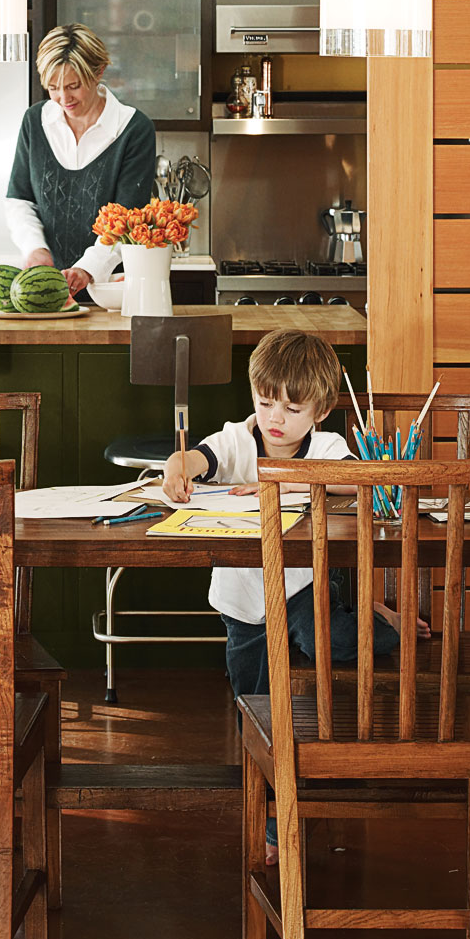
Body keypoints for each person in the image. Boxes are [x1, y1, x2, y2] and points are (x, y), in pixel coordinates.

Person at [158, 328, 403, 863]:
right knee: (253, 701)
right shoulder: (235, 438)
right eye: (266, 402)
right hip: (243, 600)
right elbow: (197, 458)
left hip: (303, 589)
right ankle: (269, 800)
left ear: (319, 411)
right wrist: (178, 469)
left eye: (292, 409)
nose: (275, 418)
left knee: (333, 640)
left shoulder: (329, 445)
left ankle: (379, 621)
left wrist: (283, 480)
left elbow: (357, 480)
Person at [1, 24, 156, 298]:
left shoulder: (133, 129)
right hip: (44, 291)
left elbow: (127, 220)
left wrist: (86, 269)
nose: (64, 98)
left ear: (98, 73)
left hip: (111, 291)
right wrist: (35, 248)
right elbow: (20, 200)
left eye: (73, 86)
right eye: (53, 88)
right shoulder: (35, 122)